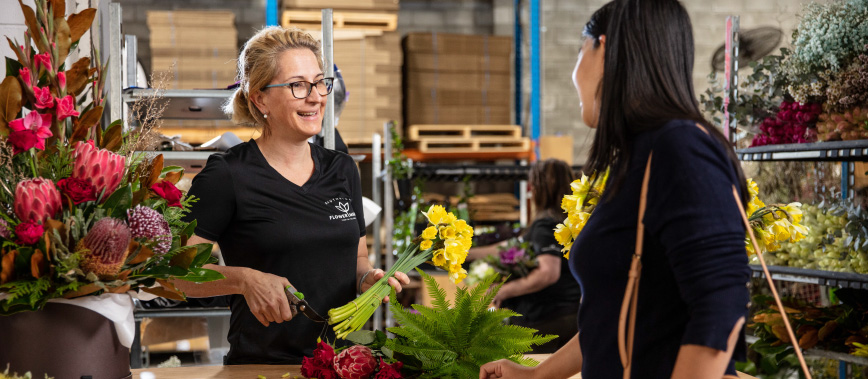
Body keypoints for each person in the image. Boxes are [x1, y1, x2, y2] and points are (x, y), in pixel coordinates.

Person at [480, 0, 751, 378]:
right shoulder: (638, 156)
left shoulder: (681, 148)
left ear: (604, 49)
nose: (574, 74)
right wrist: (536, 375)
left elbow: (721, 304)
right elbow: (612, 310)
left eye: (580, 51)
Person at [174, 26, 410, 365]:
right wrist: (245, 280)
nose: (315, 96)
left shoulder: (343, 169)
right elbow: (176, 273)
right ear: (260, 98)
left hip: (344, 366)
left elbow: (357, 260)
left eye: (319, 82)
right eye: (297, 85)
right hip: (263, 367)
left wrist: (369, 279)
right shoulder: (227, 175)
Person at [468, 159, 582, 354]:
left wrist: (502, 291)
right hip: (569, 314)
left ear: (538, 188)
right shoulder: (568, 222)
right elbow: (511, 247)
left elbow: (548, 273)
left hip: (546, 317)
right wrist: (464, 252)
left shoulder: (545, 225)